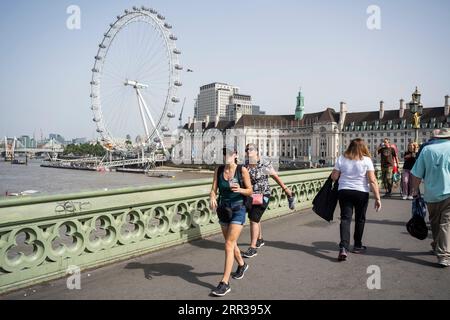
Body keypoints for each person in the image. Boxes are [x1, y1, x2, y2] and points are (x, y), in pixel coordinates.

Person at [209, 147, 253, 296]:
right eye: (224, 154)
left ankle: (225, 283)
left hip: (238, 209)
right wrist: (212, 197)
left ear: (235, 155)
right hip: (223, 209)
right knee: (231, 243)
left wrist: (240, 190)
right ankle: (242, 264)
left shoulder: (242, 170)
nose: (226, 156)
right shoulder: (219, 170)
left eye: (229, 154)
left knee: (228, 244)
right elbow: (213, 189)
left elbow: (250, 190)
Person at [241, 143, 295, 258]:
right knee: (254, 217)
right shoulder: (246, 164)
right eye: (246, 150)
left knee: (253, 220)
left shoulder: (264, 163)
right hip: (251, 196)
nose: (248, 152)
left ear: (256, 151)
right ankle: (259, 239)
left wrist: (285, 189)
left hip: (263, 195)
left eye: (250, 149)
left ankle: (253, 247)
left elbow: (275, 177)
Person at [331, 138, 382, 261]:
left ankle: (343, 247)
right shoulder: (367, 160)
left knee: (345, 219)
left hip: (344, 191)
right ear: (363, 147)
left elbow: (334, 177)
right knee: (360, 219)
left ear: (350, 147)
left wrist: (338, 173)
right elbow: (372, 180)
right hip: (361, 192)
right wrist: (377, 198)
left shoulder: (341, 158)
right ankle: (357, 245)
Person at [411, 128, 450, 268]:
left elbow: (416, 173)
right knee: (445, 224)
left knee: (435, 223)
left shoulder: (427, 150)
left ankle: (440, 249)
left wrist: (415, 191)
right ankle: (443, 255)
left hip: (431, 194)